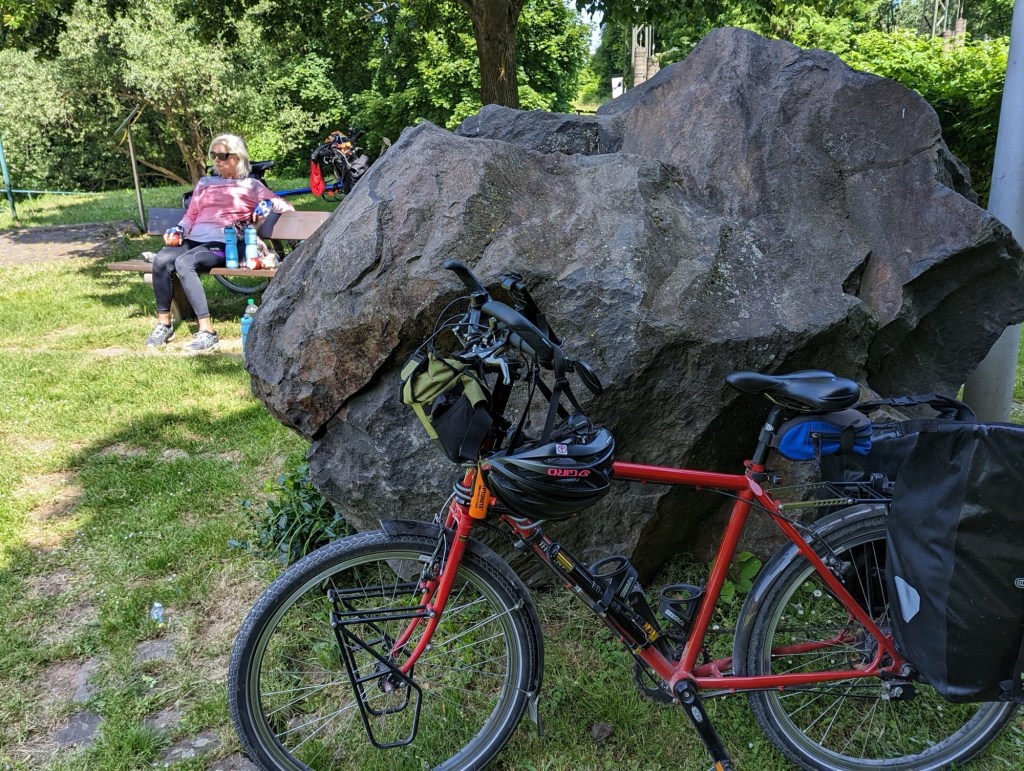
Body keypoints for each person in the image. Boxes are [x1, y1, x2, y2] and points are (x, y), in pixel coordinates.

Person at [146, 134, 294, 351]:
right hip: (195, 240)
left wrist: (266, 206)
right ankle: (164, 324)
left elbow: (285, 206)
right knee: (161, 260)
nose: (217, 160)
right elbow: (192, 214)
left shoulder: (251, 185)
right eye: (213, 155)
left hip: (226, 244)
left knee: (185, 263)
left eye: (222, 155)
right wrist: (178, 228)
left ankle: (207, 331)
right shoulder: (205, 183)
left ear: (237, 157)